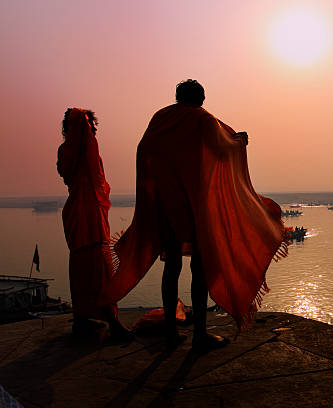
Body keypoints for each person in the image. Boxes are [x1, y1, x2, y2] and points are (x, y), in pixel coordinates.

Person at [98, 79, 288, 350]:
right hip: (194, 203)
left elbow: (144, 151)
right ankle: (200, 333)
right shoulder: (202, 119)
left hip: (165, 203)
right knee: (200, 266)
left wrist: (155, 186)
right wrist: (240, 141)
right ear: (200, 99)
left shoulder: (161, 118)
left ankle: (171, 334)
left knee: (172, 265)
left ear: (178, 97)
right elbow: (222, 148)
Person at [57, 108, 132, 341]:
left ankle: (82, 319)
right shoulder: (81, 152)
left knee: (83, 267)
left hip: (81, 213)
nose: (92, 130)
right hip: (87, 214)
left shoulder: (67, 151)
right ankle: (113, 322)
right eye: (88, 126)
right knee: (98, 267)